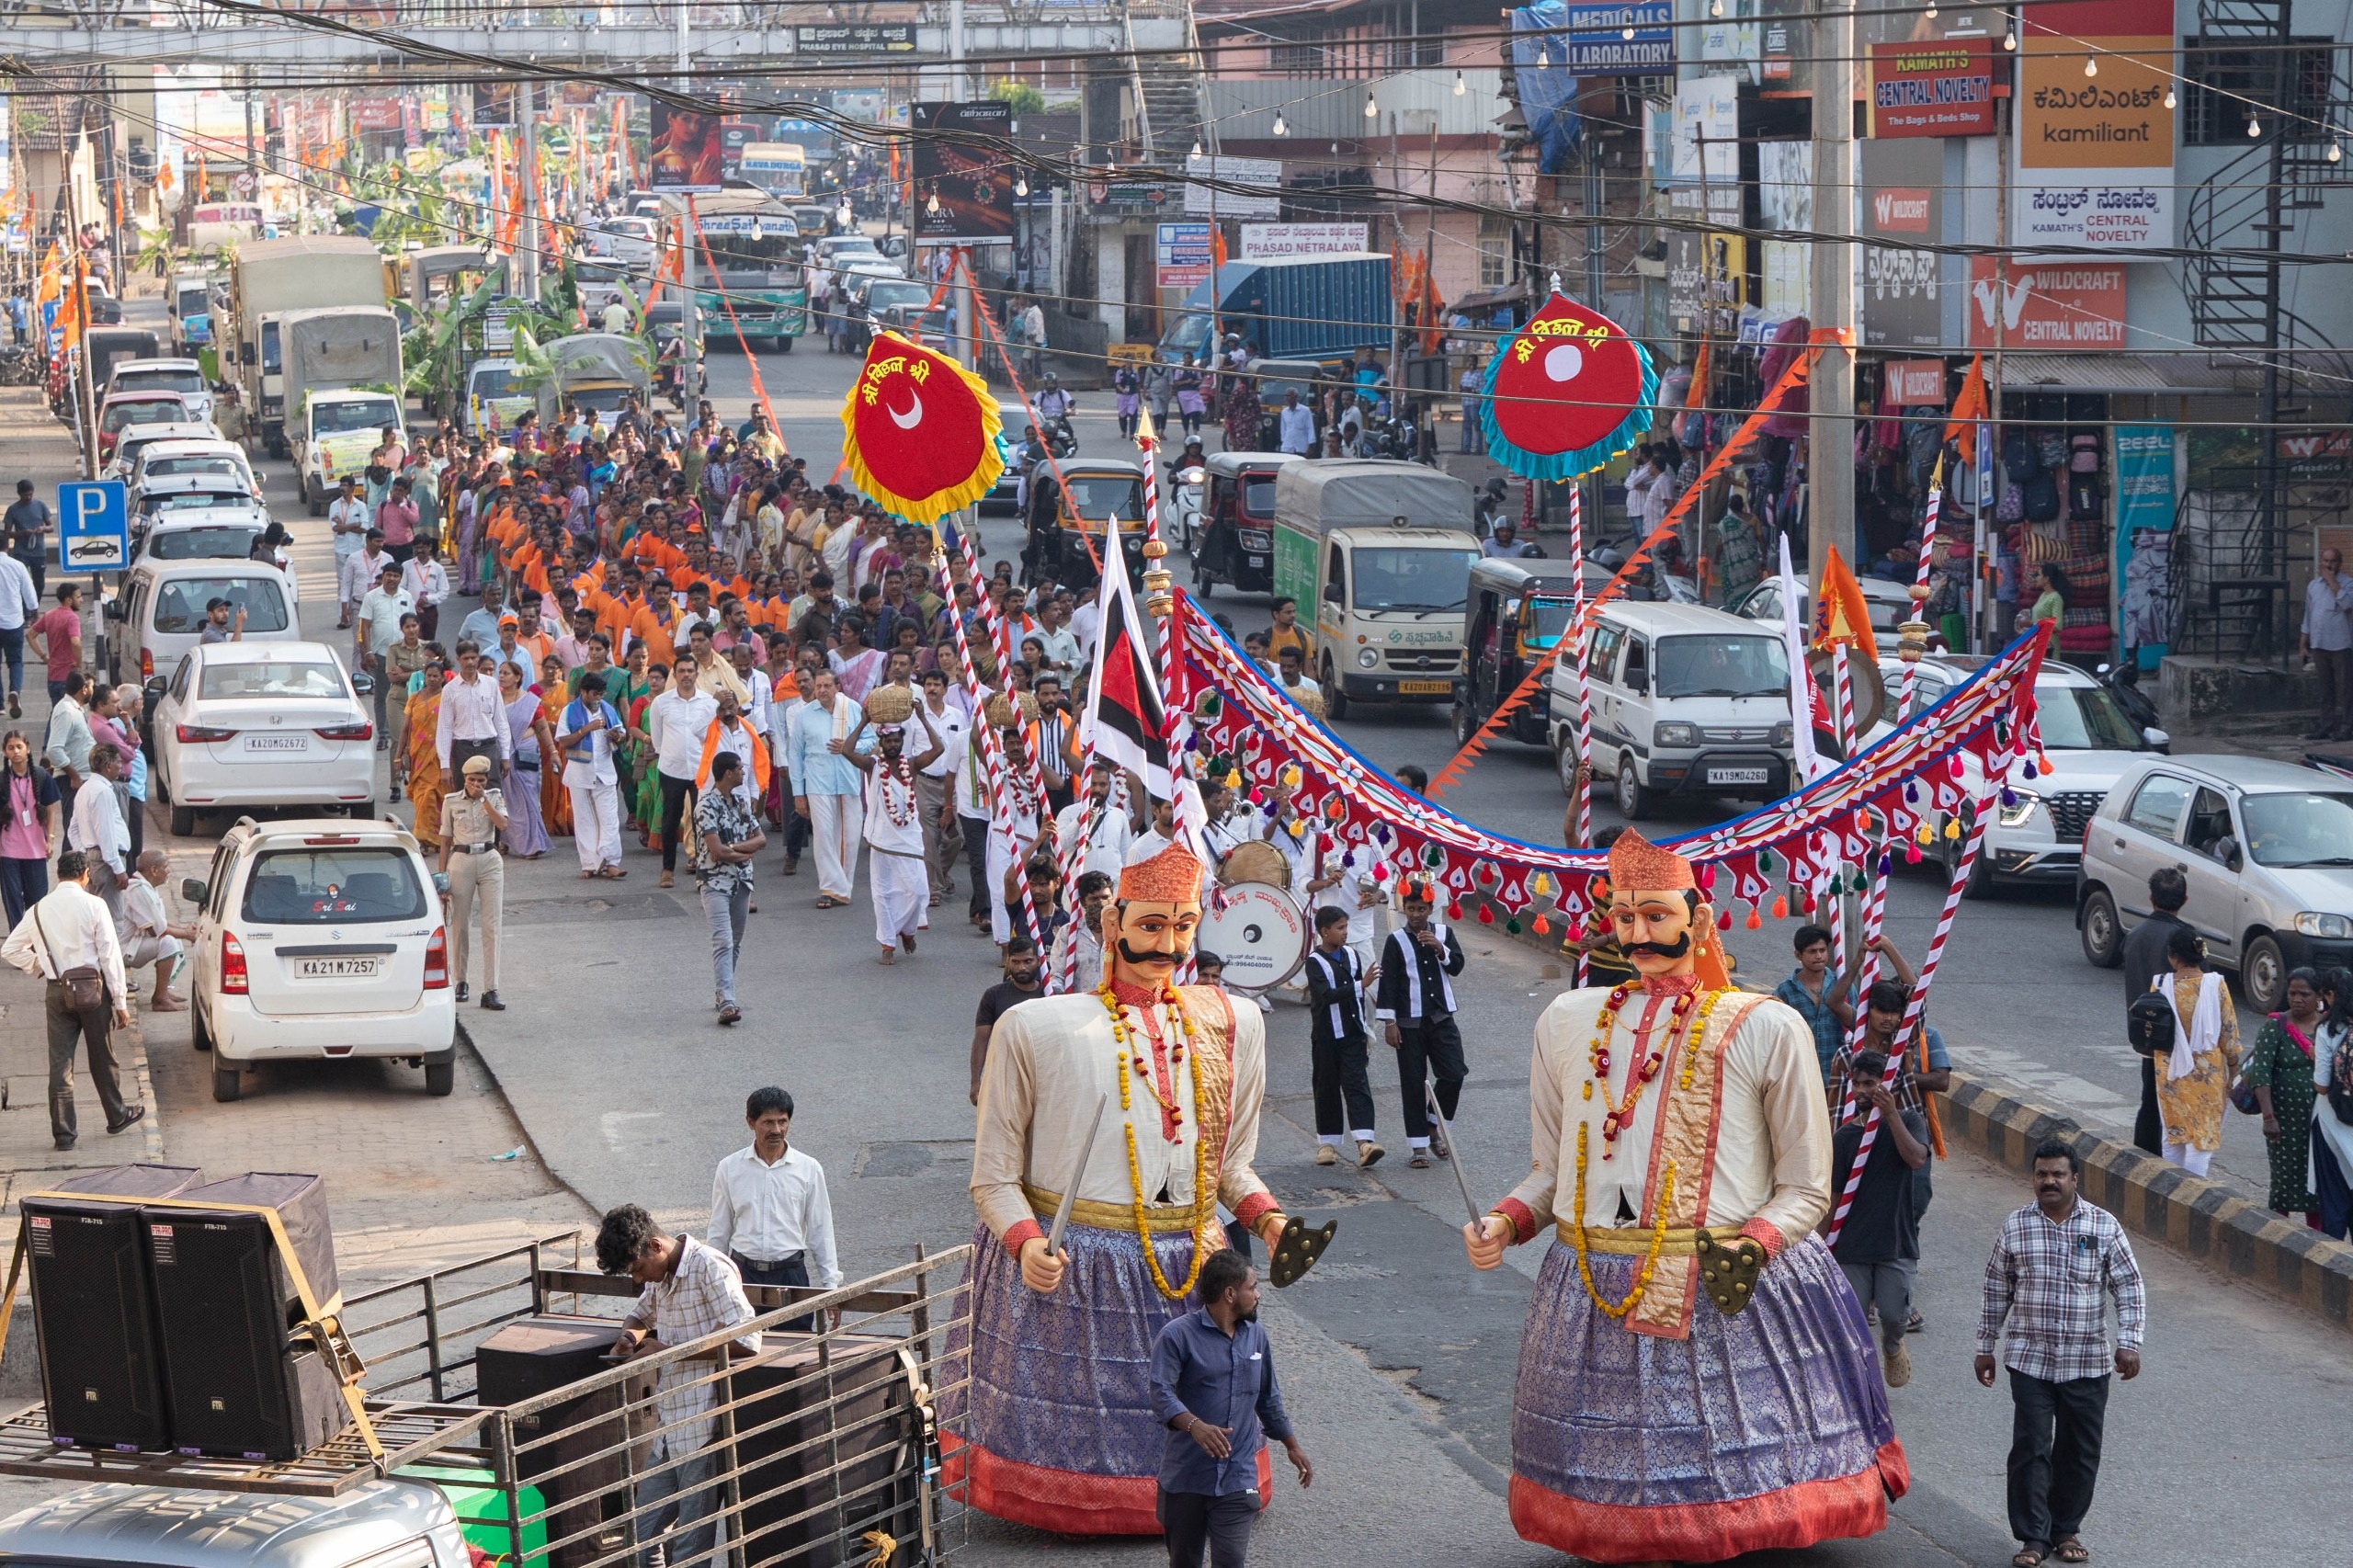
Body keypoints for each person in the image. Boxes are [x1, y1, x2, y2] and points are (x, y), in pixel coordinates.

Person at [1463, 830, 1904, 1563]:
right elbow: (1551, 1173)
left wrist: (1752, 1246)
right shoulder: (1568, 1020)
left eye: (1655, 917)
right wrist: (1506, 1222)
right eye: (1625, 917)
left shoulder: (1767, 1024)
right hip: (1591, 1285)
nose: (1638, 936)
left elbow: (1805, 1189)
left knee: (1726, 1493)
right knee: (1618, 1499)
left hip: (1726, 1283)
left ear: (1699, 917)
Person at [951, 841, 1305, 1534]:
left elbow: (1228, 1168)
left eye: (1183, 926)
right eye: (1150, 926)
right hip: (1077, 1266)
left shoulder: (1234, 1022)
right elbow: (992, 1177)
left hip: (1194, 1261)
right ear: (1112, 926)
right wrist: (1026, 1246)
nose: (1167, 946)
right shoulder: (1034, 1026)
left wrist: (1272, 1223)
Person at [1974, 1142, 2143, 1568]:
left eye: (2058, 1174)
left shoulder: (2104, 1227)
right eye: (2041, 1174)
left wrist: (2130, 1341)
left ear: (2074, 1179)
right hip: (2030, 1359)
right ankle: (2033, 1538)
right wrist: (1985, 1347)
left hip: (2087, 1362)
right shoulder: (2015, 1227)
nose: (2049, 1181)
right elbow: (1997, 1289)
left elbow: (2129, 1285)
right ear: (2033, 1178)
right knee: (2031, 1447)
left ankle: (2066, 1529)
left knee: (2079, 1449)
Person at [597, 1204, 758, 1568]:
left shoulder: (710, 1268)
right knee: (639, 1537)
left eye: (638, 1269)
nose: (639, 1280)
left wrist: (668, 1353)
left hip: (704, 1428)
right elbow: (641, 1314)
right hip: (669, 1428)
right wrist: (628, 1338)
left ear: (655, 1245)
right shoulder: (662, 1275)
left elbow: (748, 1341)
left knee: (690, 1549)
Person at [1149, 1249, 1313, 1568]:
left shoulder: (1256, 1337)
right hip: (1186, 1479)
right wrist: (1195, 1425)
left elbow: (1268, 1396)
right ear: (1230, 1294)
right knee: (1184, 1562)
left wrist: (1292, 1446)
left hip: (1238, 1477)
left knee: (1231, 1561)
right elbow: (1160, 1392)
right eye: (1252, 1287)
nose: (1258, 1294)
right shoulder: (1177, 1336)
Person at [1828, 1048, 1929, 1388]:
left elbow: (1916, 1159)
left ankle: (1892, 1346)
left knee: (1892, 1314)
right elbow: (1834, 1197)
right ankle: (1862, 1385)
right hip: (1853, 1246)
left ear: (1886, 1085)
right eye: (1856, 1083)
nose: (1860, 1091)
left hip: (1895, 1242)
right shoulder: (1844, 1138)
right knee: (1853, 1319)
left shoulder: (1910, 1122)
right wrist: (1821, 1242)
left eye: (1869, 1083)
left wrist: (1891, 1118)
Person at [708, 1085, 841, 1332]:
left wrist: (831, 1285)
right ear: (750, 1122)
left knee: (795, 1350)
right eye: (768, 1122)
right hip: (743, 1276)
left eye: (782, 1121)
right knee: (741, 1348)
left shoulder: (808, 1169)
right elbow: (719, 1230)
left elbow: (821, 1230)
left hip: (791, 1276)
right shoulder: (729, 1168)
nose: (776, 1130)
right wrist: (713, 1283)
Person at [1375, 881, 1466, 1170]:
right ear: (1403, 909)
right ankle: (1418, 1147)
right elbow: (1388, 983)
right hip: (1409, 1023)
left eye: (1421, 909)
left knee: (1454, 1074)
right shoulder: (1396, 940)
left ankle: (1432, 1125)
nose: (1416, 914)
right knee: (1413, 1083)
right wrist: (1390, 1022)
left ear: (1431, 908)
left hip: (1441, 1018)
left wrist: (1441, 949)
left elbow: (1457, 966)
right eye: (1410, 909)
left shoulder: (1443, 933)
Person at [844, 708, 944, 964]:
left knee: (920, 890)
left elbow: (939, 748)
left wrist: (922, 718)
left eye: (897, 740)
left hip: (909, 838)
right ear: (881, 743)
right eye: (888, 741)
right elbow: (847, 751)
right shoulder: (873, 765)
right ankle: (887, 944)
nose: (893, 745)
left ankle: (907, 931)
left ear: (902, 741)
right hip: (882, 840)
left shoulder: (911, 764)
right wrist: (864, 721)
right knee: (884, 893)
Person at [2150, 924, 2237, 1176]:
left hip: (2169, 1073)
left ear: (2172, 956)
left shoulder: (2160, 984)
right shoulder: (2216, 985)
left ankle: (2172, 1196)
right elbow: (2229, 1035)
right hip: (2207, 1076)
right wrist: (2233, 1072)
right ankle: (2192, 1200)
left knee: (2173, 1136)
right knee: (2201, 1140)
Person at [2119, 865, 2190, 1155]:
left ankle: (2144, 1152)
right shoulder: (2184, 939)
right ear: (2185, 900)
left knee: (2150, 1095)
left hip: (2143, 1032)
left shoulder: (2134, 935)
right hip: (2176, 1035)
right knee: (2173, 1099)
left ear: (2151, 898)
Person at [2245, 967, 2325, 1221]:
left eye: (2305, 994)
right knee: (2284, 1183)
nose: (2297, 999)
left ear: (2318, 996)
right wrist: (2269, 1117)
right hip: (2284, 1123)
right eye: (2292, 993)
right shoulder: (2275, 1027)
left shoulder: (2327, 1027)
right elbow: (2261, 1075)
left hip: (2321, 1122)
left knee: (2318, 1185)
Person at [1304, 905, 1381, 1168]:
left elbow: (1357, 994)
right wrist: (1362, 984)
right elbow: (1326, 996)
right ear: (1325, 932)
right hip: (1326, 1036)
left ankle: (1365, 1143)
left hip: (1353, 1033)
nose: (1345, 933)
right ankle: (1328, 1145)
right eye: (1340, 928)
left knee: (1356, 1084)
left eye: (1346, 927)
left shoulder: (1351, 954)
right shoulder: (1314, 963)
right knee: (1326, 1087)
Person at [694, 750, 765, 1027]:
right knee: (723, 940)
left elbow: (760, 839)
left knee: (735, 941)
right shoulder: (705, 806)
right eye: (739, 768)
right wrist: (741, 852)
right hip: (714, 882)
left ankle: (724, 992)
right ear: (728, 774)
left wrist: (734, 849)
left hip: (742, 880)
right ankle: (727, 1001)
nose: (743, 772)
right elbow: (716, 851)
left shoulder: (740, 802)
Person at [787, 667, 866, 908]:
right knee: (824, 837)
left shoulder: (852, 708)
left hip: (848, 780)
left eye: (826, 686)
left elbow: (871, 741)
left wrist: (850, 747)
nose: (821, 690)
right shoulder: (804, 715)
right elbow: (795, 755)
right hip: (817, 782)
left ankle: (843, 887)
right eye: (818, 686)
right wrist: (798, 794)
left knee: (851, 837)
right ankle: (830, 888)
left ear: (837, 687)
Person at [438, 754, 509, 1010]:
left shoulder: (494, 797)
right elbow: (445, 840)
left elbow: (503, 824)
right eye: (471, 780)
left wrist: (484, 801)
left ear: (486, 780)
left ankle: (491, 988)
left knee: (492, 926)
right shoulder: (451, 801)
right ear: (463, 779)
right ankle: (461, 981)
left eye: (480, 780)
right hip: (462, 859)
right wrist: (441, 880)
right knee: (460, 925)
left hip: (489, 858)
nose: (475, 784)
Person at [648, 660, 719, 889]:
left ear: (696, 674)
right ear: (675, 675)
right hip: (672, 769)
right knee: (670, 821)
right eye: (682, 671)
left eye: (690, 671)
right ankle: (667, 870)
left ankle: (703, 870)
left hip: (701, 770)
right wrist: (669, 755)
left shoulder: (709, 702)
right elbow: (657, 739)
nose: (686, 675)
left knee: (703, 821)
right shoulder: (661, 703)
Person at [560, 671, 628, 880]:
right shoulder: (569, 711)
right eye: (595, 694)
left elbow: (622, 735)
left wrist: (616, 736)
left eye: (601, 694)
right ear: (584, 692)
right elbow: (563, 742)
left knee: (609, 819)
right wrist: (585, 730)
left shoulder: (607, 710)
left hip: (605, 772)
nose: (599, 698)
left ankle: (611, 862)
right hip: (580, 773)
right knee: (584, 820)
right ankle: (589, 864)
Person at [1776, 922, 1858, 1082]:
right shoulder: (1785, 990)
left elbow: (1858, 1024)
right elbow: (1778, 1035)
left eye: (1822, 950)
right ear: (1798, 955)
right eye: (1812, 951)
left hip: (1839, 1075)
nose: (1819, 956)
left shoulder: (1842, 985)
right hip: (1802, 1076)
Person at [970, 935, 1044, 1105]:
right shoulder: (993, 996)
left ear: (1039, 961)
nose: (1022, 967)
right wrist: (975, 1081)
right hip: (1004, 1076)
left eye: (1027, 961)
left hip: (1043, 1076)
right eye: (1016, 962)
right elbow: (981, 1040)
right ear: (1008, 962)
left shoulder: (1051, 995)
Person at [119, 847, 195, 1011]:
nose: (168, 871)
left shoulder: (146, 887)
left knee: (174, 939)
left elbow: (161, 922)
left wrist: (185, 931)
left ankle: (164, 991)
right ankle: (160, 999)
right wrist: (188, 935)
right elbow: (159, 931)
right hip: (125, 949)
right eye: (165, 867)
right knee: (168, 943)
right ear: (154, 870)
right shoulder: (138, 890)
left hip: (136, 943)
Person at [66, 744, 130, 925]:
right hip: (106, 862)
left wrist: (85, 853)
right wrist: (118, 868)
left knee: (96, 920)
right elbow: (106, 833)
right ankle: (112, 953)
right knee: (111, 920)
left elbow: (73, 829)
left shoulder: (85, 789)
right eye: (118, 761)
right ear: (108, 765)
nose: (120, 766)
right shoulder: (102, 792)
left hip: (94, 858)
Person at [2311, 970, 2353, 1238]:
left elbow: (2322, 1086)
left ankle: (2334, 1268)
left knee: (2334, 1198)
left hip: (2332, 1121)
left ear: (2329, 995)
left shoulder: (2327, 1029)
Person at [2300, 544, 2353, 740]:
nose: (2329, 565)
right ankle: (2326, 725)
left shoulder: (2348, 583)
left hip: (2341, 644)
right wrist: (2303, 644)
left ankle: (2347, 728)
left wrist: (2332, 582)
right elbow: (2308, 615)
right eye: (2326, 561)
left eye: (2333, 561)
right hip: (2319, 644)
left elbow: (2348, 605)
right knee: (2325, 689)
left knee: (2346, 689)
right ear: (2321, 562)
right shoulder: (2313, 585)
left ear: (2339, 563)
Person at [0, 540, 37, 722]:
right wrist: (34, 612)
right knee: (15, 661)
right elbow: (29, 595)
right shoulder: (17, 566)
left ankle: (0, 705)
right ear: (8, 545)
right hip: (13, 623)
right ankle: (15, 690)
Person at [30, 584, 81, 707]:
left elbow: (30, 635)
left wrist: (44, 657)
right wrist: (79, 663)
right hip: (69, 677)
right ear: (69, 600)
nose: (81, 600)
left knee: (57, 715)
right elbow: (75, 642)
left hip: (53, 676)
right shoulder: (72, 618)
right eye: (78, 597)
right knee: (68, 716)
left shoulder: (49, 615)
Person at [6, 478, 51, 599]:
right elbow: (7, 532)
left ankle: (35, 607)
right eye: (26, 495)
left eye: (31, 494)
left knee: (39, 584)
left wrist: (43, 529)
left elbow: (50, 526)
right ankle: (25, 611)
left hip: (39, 551)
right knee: (21, 582)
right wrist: (21, 533)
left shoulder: (40, 506)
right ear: (19, 494)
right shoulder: (13, 510)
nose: (29, 497)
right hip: (21, 552)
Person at [2030, 563, 2068, 627]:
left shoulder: (2056, 598)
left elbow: (2057, 626)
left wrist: (2031, 624)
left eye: (2039, 575)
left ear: (2046, 579)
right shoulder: (2044, 595)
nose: (2036, 578)